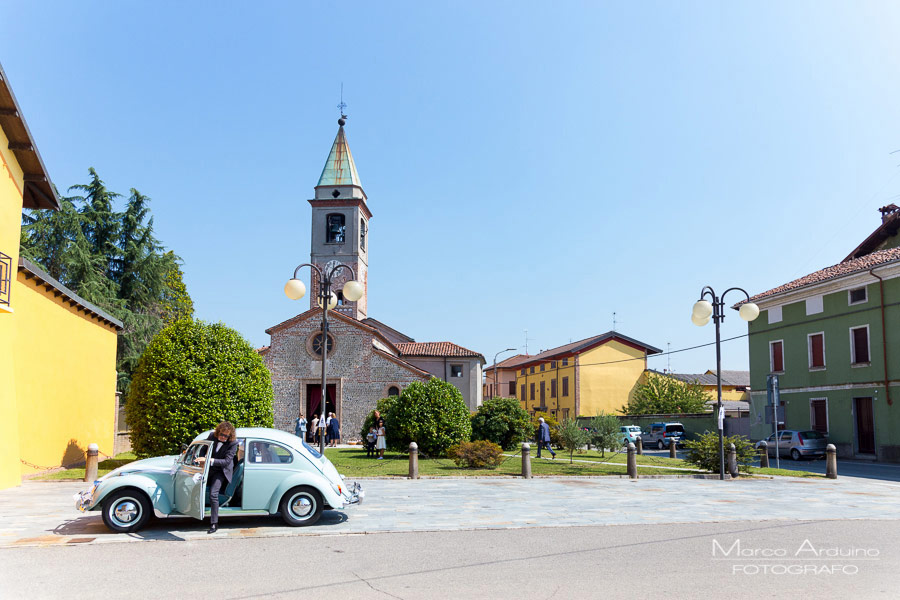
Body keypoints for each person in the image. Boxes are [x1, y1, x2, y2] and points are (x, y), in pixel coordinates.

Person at [196, 421, 238, 533]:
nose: (223, 437)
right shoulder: (211, 436)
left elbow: (226, 461)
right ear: (218, 432)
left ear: (230, 435)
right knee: (194, 485)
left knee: (213, 494)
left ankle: (214, 523)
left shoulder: (233, 443)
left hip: (221, 471)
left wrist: (208, 460)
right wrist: (201, 461)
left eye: (226, 436)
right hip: (209, 468)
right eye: (221, 434)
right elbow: (203, 450)